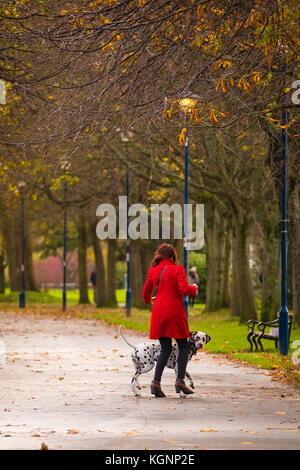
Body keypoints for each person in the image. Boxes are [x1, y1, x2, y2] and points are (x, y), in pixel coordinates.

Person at [142, 243, 198, 397]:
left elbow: (145, 295)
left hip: (159, 312)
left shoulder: (153, 271)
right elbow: (183, 289)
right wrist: (194, 289)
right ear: (173, 256)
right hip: (174, 311)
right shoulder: (178, 269)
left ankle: (155, 383)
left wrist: (150, 300)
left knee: (165, 348)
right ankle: (180, 380)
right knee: (183, 345)